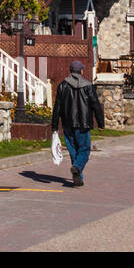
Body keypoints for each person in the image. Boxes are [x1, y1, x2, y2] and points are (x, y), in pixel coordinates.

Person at [50, 59, 104, 187]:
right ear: (81, 71)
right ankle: (77, 167)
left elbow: (57, 107)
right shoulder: (88, 86)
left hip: (67, 124)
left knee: (73, 150)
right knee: (84, 149)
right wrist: (101, 123)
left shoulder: (63, 85)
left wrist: (54, 126)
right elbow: (96, 105)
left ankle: (77, 176)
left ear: (70, 71)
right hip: (83, 125)